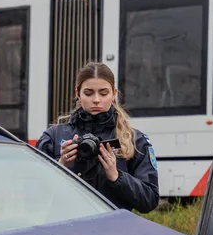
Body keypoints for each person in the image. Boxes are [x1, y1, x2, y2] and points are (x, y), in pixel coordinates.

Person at [36, 62, 159, 212]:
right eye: (88, 93)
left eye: (103, 93)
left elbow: (150, 200)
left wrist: (116, 176)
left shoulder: (134, 140)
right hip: (66, 231)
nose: (96, 100)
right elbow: (34, 194)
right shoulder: (54, 136)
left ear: (114, 94)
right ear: (77, 94)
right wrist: (60, 166)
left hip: (112, 231)